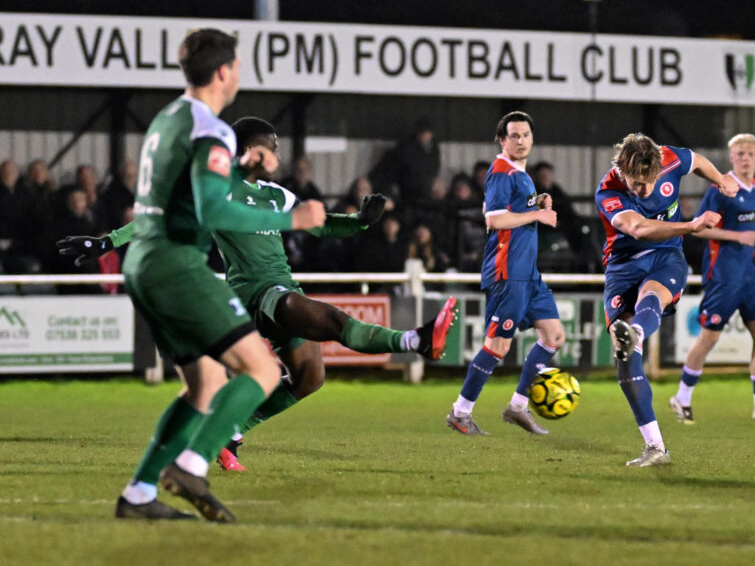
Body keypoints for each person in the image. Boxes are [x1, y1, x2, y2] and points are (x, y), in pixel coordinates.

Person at [59, 116, 459, 473]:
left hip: (282, 287)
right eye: (273, 147)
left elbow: (320, 225)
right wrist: (106, 242)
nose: (279, 155)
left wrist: (360, 222)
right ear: (251, 151)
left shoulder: (274, 194)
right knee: (333, 321)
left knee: (310, 378)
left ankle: (228, 432)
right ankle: (416, 340)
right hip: (256, 293)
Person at [94, 28, 326, 523]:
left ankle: (138, 494)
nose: (238, 73)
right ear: (223, 71)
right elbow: (214, 210)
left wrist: (240, 165)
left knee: (203, 385)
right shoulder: (211, 127)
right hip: (175, 264)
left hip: (143, 263)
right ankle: (191, 465)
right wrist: (293, 219)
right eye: (237, 65)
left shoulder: (168, 119)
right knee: (262, 371)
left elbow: (183, 190)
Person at [595, 132, 738, 467]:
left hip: (666, 257)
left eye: (649, 181)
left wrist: (720, 180)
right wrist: (691, 226)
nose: (644, 189)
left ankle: (636, 332)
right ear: (622, 171)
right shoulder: (608, 190)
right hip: (623, 266)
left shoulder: (670, 158)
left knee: (652, 295)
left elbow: (696, 161)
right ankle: (655, 447)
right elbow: (639, 229)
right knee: (626, 364)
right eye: (636, 182)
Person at [445, 111, 565, 436]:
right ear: (502, 140)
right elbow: (494, 219)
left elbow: (504, 208)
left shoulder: (519, 173)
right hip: (508, 271)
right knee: (497, 346)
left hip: (528, 274)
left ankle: (518, 406)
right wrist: (538, 215)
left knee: (554, 336)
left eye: (526, 135)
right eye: (514, 135)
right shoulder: (501, 171)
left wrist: (536, 201)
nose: (521, 141)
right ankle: (460, 412)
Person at [670, 133, 755, 426]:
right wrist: (737, 237)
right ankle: (681, 398)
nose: (745, 158)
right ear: (732, 157)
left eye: (750, 153)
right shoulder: (721, 188)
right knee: (710, 336)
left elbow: (750, 227)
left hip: (749, 275)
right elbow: (698, 228)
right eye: (740, 153)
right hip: (723, 274)